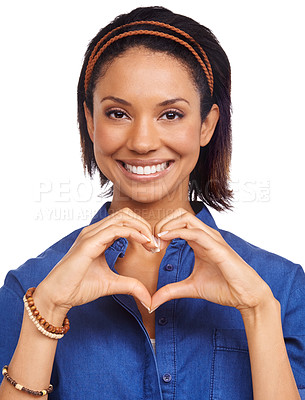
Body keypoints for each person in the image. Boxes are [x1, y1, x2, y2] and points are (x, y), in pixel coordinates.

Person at [0, 5, 304, 399]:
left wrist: (260, 313)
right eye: (118, 113)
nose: (142, 142)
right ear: (90, 122)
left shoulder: (282, 287)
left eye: (172, 114)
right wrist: (48, 311)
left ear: (207, 124)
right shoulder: (32, 288)